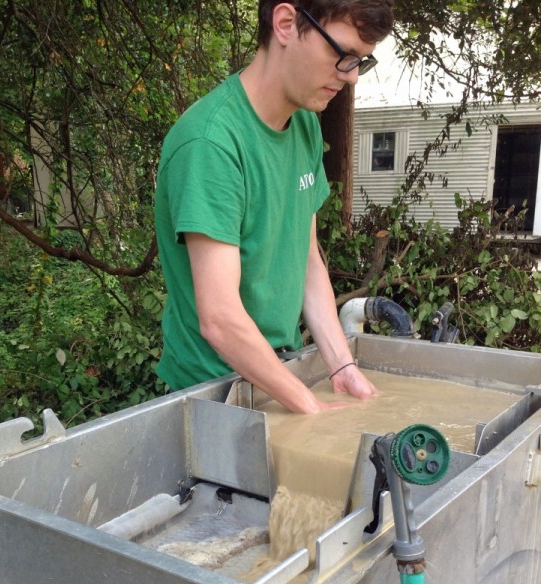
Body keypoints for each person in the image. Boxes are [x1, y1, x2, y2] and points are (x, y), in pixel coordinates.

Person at [154, 0, 394, 414]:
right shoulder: (210, 144)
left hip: (278, 374)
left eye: (361, 61)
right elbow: (220, 318)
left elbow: (306, 261)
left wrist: (343, 367)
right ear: (286, 23)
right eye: (343, 56)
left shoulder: (303, 123)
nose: (352, 77)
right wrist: (309, 405)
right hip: (214, 396)